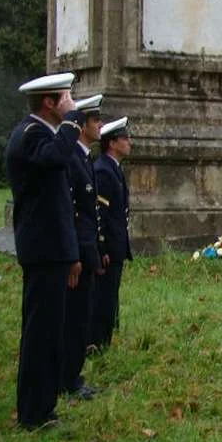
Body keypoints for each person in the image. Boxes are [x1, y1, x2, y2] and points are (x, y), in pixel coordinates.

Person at [5, 72, 85, 430]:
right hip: (43, 249)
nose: (72, 103)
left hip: (52, 248)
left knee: (51, 330)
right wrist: (72, 123)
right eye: (66, 97)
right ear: (49, 103)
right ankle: (34, 413)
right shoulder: (31, 135)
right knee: (40, 332)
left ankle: (44, 406)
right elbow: (53, 159)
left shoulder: (42, 134)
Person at [61, 94, 106, 401]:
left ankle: (72, 374)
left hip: (87, 247)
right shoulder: (72, 158)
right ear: (81, 125)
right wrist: (75, 254)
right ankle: (68, 378)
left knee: (81, 316)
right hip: (76, 251)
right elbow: (71, 210)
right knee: (74, 318)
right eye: (95, 120)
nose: (100, 125)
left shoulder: (84, 156)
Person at [90, 117, 133, 351]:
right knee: (102, 296)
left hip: (116, 244)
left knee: (110, 294)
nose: (130, 142)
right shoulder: (104, 171)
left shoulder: (113, 168)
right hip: (108, 247)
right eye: (125, 138)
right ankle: (95, 341)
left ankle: (104, 337)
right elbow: (100, 214)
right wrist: (102, 247)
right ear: (112, 143)